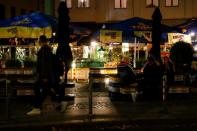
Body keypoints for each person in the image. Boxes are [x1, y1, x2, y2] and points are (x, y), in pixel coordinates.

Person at [27, 35, 66, 115]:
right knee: (45, 90)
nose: (37, 42)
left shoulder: (44, 49)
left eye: (38, 40)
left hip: (45, 76)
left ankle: (37, 108)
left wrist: (44, 76)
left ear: (40, 40)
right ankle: (61, 101)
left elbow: (45, 64)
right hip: (48, 76)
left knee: (38, 87)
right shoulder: (46, 49)